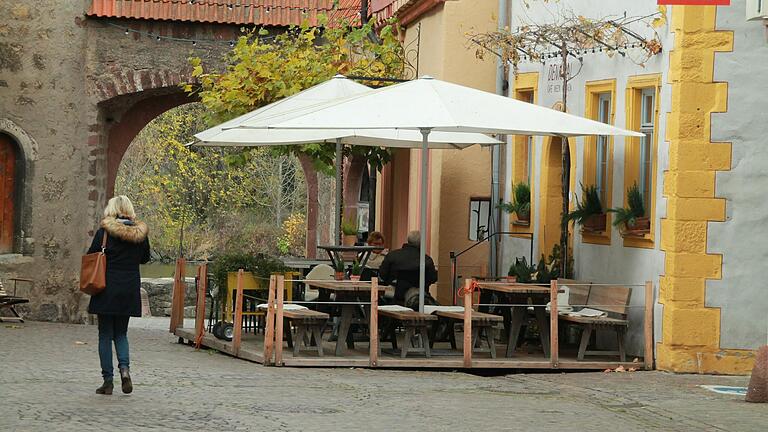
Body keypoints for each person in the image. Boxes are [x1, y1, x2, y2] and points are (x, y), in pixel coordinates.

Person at [87, 195, 150, 395]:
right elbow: (145, 258)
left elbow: (91, 255)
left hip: (106, 288)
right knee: (121, 333)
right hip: (129, 289)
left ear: (111, 209)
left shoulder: (104, 233)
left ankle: (108, 381)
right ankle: (125, 370)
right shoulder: (140, 235)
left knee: (105, 334)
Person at [378, 230, 438, 307]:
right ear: (421, 243)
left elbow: (382, 275)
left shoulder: (392, 256)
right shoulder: (426, 260)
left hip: (394, 298)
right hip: (418, 300)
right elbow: (432, 278)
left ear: (408, 240)